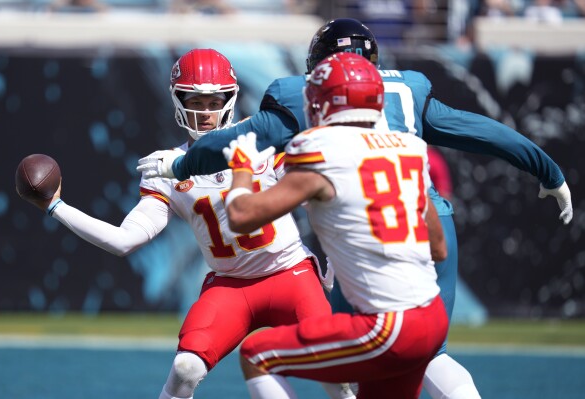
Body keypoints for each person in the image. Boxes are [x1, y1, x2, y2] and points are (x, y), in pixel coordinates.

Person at [137, 18, 573, 399]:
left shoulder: (315, 146)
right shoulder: (406, 142)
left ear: (322, 92)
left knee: (266, 355)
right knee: (426, 357)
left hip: (364, 240)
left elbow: (244, 208)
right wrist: (548, 170)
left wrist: (195, 165)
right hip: (419, 227)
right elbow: (467, 161)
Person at [19, 49, 354, 399]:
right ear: (177, 100)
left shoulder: (264, 142)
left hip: (291, 274)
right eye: (195, 99)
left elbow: (322, 192)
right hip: (231, 286)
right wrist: (55, 206)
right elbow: (124, 241)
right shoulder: (168, 167)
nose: (205, 110)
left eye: (213, 100)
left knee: (337, 370)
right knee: (185, 369)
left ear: (230, 98)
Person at [222, 52, 449, 398]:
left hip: (388, 325)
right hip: (432, 318)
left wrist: (241, 168)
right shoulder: (408, 147)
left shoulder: (320, 151)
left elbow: (240, 216)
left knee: (258, 355)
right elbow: (438, 248)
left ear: (324, 103)